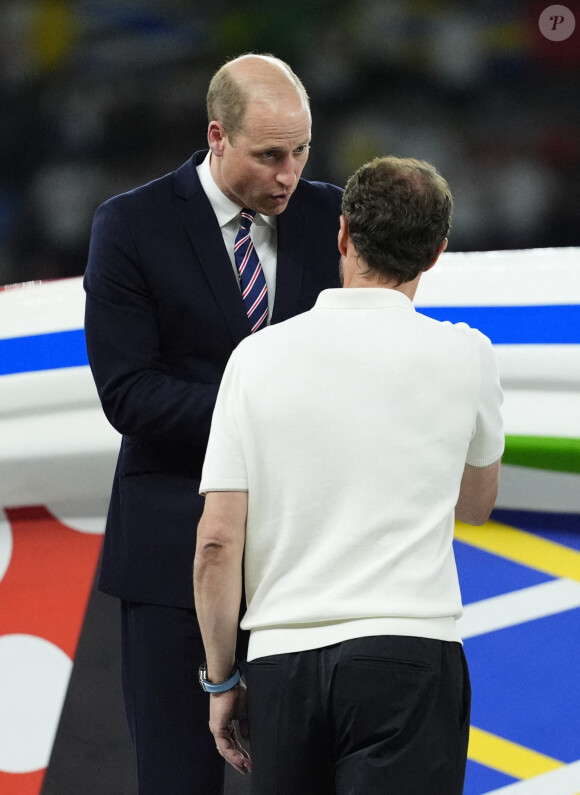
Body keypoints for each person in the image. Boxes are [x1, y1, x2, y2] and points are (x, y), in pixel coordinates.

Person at [194, 155, 505, 794]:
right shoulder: (467, 354)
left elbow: (216, 544)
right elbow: (475, 504)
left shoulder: (255, 360)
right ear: (436, 254)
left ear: (343, 234)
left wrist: (223, 680)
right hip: (409, 654)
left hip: (282, 663)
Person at [83, 54, 343, 795]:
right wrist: (266, 418)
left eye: (301, 151)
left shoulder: (332, 217)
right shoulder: (131, 225)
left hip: (305, 562)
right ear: (217, 136)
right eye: (269, 155)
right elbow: (129, 393)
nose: (289, 174)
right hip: (173, 559)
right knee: (177, 782)